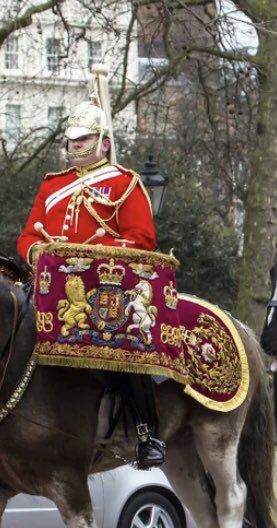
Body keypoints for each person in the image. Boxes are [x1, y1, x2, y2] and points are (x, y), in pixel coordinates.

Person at [16, 82, 165, 469]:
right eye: (72, 140)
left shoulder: (125, 183)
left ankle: (148, 432)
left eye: (84, 140)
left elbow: (142, 239)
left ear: (103, 142)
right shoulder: (53, 185)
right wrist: (37, 251)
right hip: (50, 285)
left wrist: (100, 254)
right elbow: (29, 234)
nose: (75, 146)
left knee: (123, 345)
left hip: (105, 285)